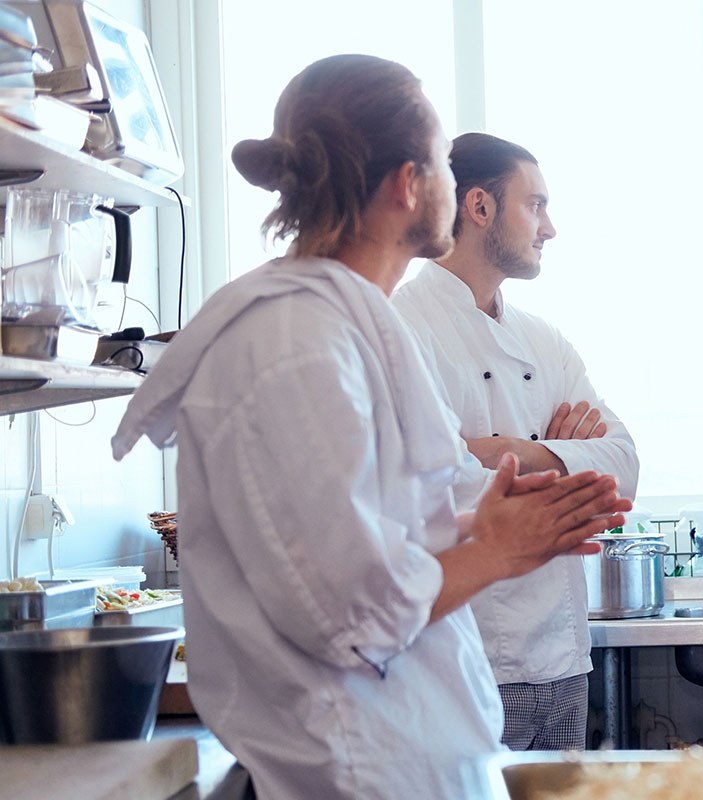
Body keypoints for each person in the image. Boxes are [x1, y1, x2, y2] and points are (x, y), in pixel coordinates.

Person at [110, 55, 630, 799]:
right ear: (408, 185)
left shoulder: (350, 325)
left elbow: (367, 536)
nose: (454, 179)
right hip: (352, 775)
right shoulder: (293, 344)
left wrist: (472, 522)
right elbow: (346, 615)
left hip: (406, 761)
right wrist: (497, 550)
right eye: (443, 160)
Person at [393, 132, 639, 751]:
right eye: (536, 204)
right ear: (480, 207)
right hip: (466, 652)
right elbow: (431, 485)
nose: (549, 227)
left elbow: (624, 466)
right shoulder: (401, 326)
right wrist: (565, 468)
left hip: (563, 654)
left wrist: (513, 451)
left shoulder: (544, 339)